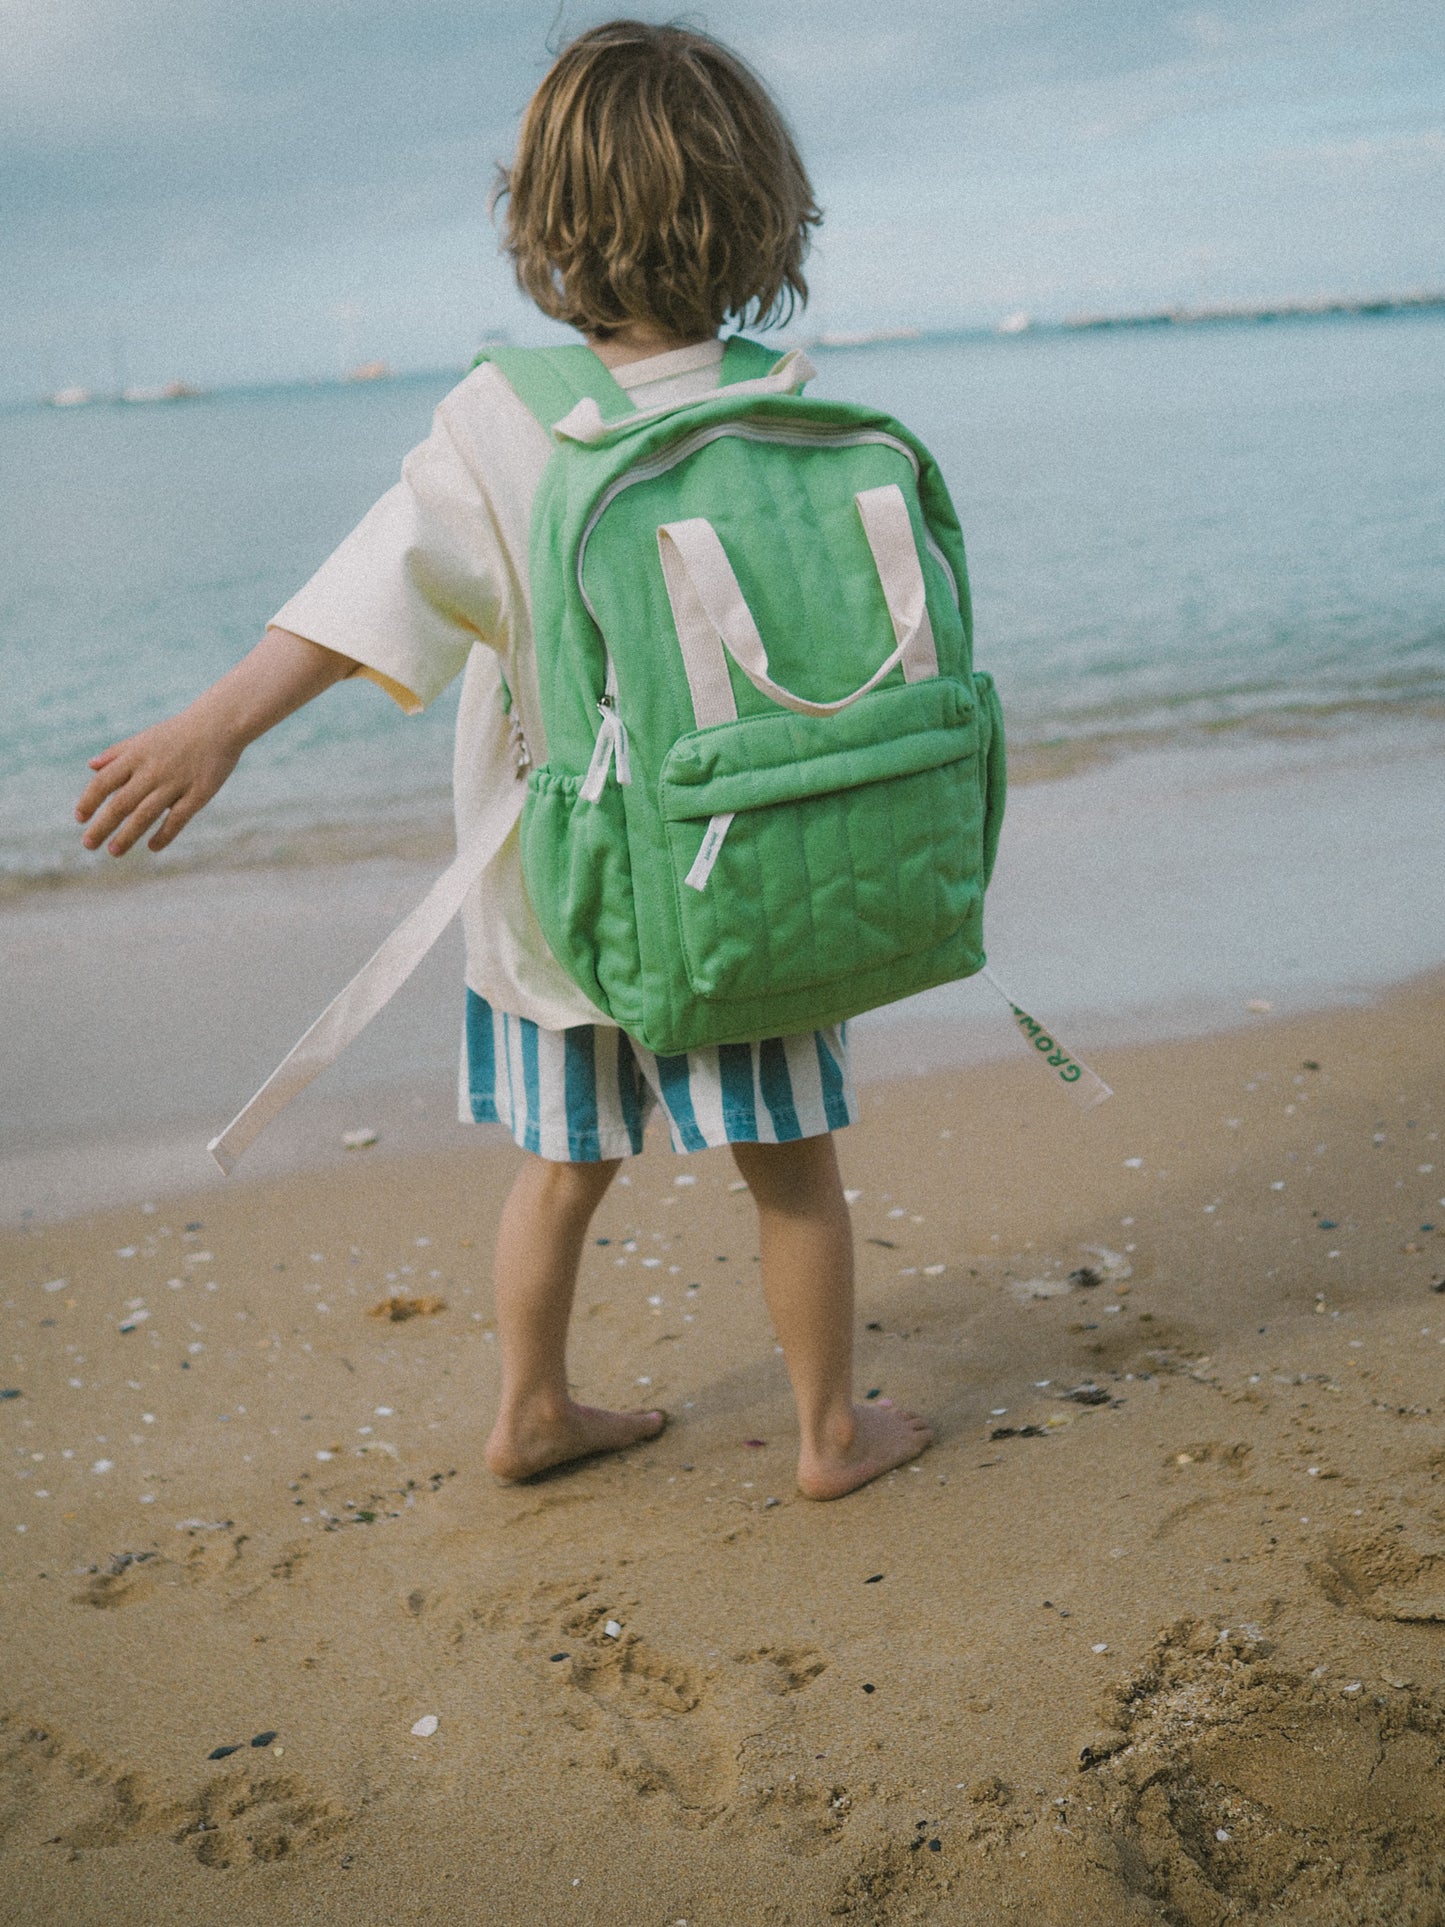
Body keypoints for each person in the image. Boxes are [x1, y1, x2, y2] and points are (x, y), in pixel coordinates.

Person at [75, 20, 933, 1501]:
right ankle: (826, 1435)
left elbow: (365, 598)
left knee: (561, 1165)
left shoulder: (501, 424)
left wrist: (215, 723)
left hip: (566, 891)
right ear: (761, 216)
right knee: (791, 1169)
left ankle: (530, 1411)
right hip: (756, 875)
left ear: (540, 224)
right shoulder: (789, 408)